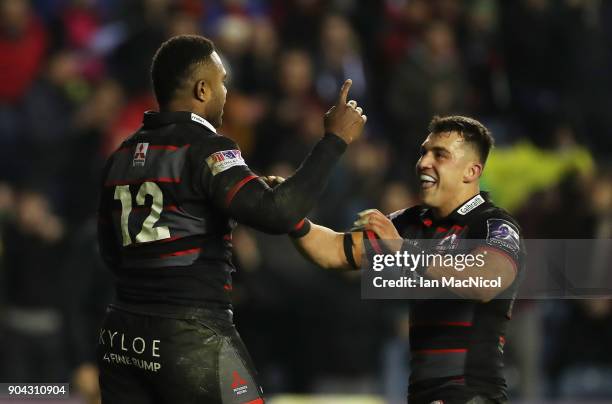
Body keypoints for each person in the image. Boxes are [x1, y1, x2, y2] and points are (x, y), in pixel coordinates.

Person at [96, 34, 366, 404]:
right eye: (223, 81)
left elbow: (109, 252)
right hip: (190, 333)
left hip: (121, 336)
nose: (226, 91)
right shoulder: (207, 147)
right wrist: (334, 141)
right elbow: (277, 213)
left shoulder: (121, 157)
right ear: (203, 89)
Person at [288, 116, 524, 404]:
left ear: (471, 171)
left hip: (471, 395)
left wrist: (402, 249)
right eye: (424, 152)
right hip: (421, 394)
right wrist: (291, 216)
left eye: (440, 155)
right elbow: (333, 251)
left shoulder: (493, 225)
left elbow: (485, 281)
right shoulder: (409, 223)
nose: (424, 162)